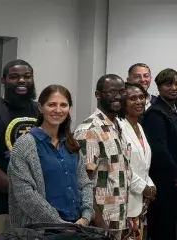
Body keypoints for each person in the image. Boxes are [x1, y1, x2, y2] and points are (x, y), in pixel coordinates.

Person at [7, 85, 93, 228]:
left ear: (69, 109)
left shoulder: (71, 143)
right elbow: (25, 194)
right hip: (40, 230)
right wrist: (61, 225)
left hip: (77, 226)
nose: (58, 110)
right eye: (52, 104)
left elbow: (85, 183)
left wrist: (85, 216)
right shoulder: (25, 144)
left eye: (63, 105)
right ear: (41, 108)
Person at [0, 59, 39, 239]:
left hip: (36, 209)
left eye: (27, 76)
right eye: (14, 77)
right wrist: (22, 192)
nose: (22, 80)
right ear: (3, 80)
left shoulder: (41, 111)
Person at [142, 68, 177, 240]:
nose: (174, 88)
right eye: (168, 84)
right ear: (158, 87)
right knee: (163, 230)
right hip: (165, 183)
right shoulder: (155, 113)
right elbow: (160, 151)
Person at [73, 74, 132, 238]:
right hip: (99, 224)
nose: (118, 97)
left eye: (122, 92)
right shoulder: (89, 130)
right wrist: (100, 225)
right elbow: (82, 183)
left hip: (118, 219)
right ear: (98, 95)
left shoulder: (118, 125)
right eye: (112, 92)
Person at [119, 82, 155, 240]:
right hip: (123, 203)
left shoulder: (139, 126)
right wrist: (143, 188)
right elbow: (122, 165)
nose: (139, 101)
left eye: (142, 97)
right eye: (133, 98)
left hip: (140, 205)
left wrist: (151, 186)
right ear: (123, 102)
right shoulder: (118, 126)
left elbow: (143, 164)